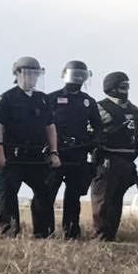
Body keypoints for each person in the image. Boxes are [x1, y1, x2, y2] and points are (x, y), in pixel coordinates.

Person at [0, 57, 61, 237]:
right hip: (12, 155)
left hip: (37, 156)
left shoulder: (43, 99)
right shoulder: (7, 98)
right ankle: (9, 231)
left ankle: (43, 232)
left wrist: (54, 152)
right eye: (28, 73)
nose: (32, 77)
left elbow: (50, 127)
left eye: (35, 74)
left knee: (44, 192)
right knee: (8, 194)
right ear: (17, 74)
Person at [46, 61, 102, 239]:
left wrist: (91, 142)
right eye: (75, 73)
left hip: (78, 154)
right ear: (64, 74)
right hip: (56, 153)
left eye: (81, 74)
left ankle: (71, 233)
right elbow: (43, 125)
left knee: (73, 196)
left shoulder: (88, 102)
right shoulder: (51, 98)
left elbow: (98, 128)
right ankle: (45, 231)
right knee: (47, 193)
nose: (77, 78)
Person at [92, 72, 138, 241]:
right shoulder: (100, 108)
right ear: (111, 88)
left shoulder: (134, 110)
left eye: (127, 86)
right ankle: (101, 238)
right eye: (122, 86)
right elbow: (91, 133)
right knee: (103, 201)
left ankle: (111, 236)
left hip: (127, 162)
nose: (125, 90)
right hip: (108, 160)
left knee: (116, 201)